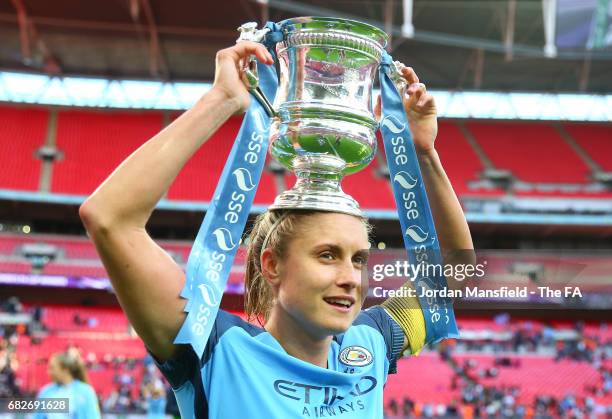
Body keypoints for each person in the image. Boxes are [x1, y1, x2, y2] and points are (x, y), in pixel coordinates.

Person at [80, 40, 472, 418]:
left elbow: (455, 274)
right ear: (272, 265)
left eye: (359, 259)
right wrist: (223, 100)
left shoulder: (371, 344)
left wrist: (424, 153)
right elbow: (110, 218)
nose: (351, 278)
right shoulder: (212, 348)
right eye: (327, 255)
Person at [35, 351, 101, 419]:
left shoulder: (85, 392)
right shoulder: (46, 391)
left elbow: (92, 416)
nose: (49, 372)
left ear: (65, 369)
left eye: (52, 368)